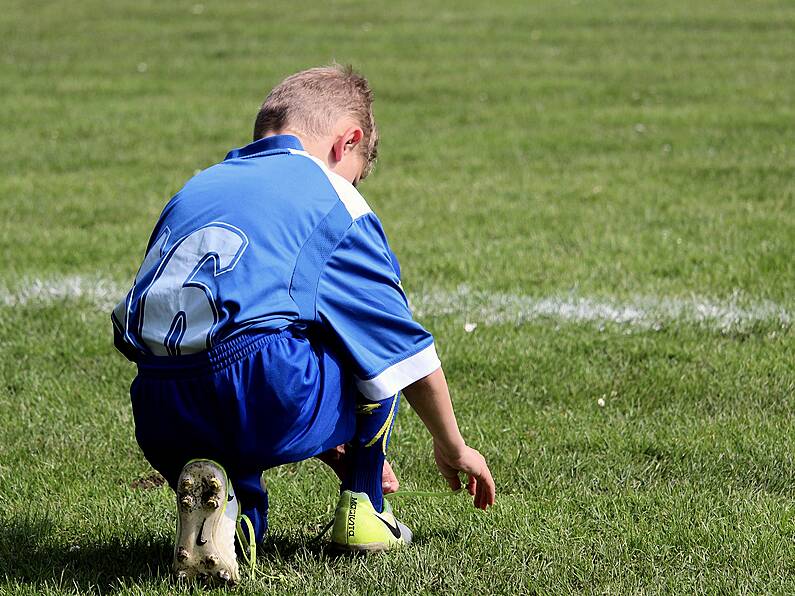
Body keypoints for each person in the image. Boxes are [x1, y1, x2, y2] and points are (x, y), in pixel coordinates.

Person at [111, 64, 495, 586]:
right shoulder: (331, 198)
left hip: (158, 413)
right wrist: (452, 445)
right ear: (348, 141)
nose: (353, 185)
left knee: (245, 342)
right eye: (356, 173)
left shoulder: (195, 189)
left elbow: (130, 326)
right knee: (361, 333)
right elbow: (402, 349)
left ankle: (238, 516)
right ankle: (364, 509)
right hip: (258, 392)